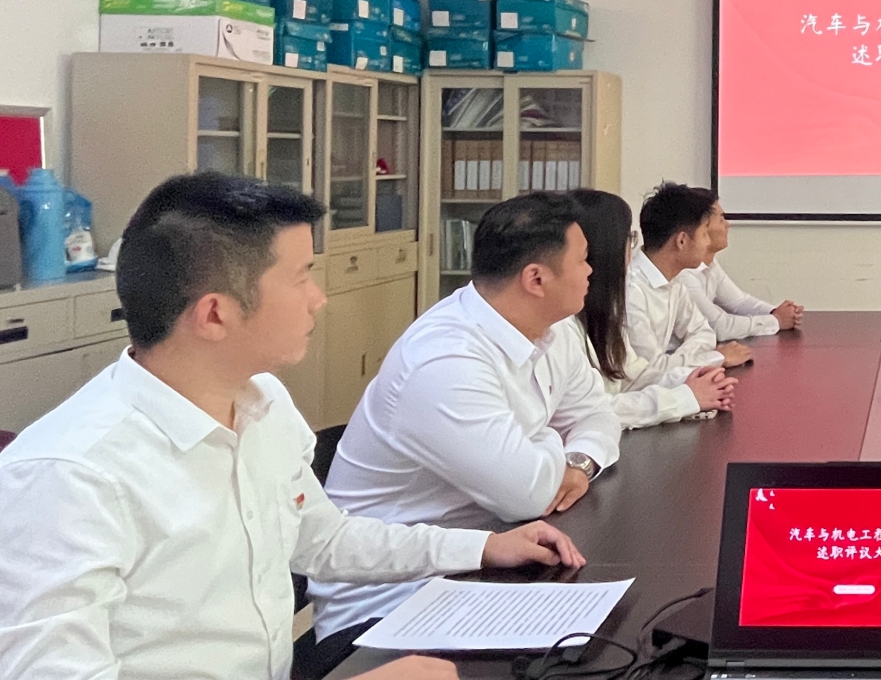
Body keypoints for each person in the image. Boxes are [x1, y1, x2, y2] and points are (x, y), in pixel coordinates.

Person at [0, 173, 583, 680]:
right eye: (301, 277)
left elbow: (324, 540)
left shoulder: (262, 402)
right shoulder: (69, 476)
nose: (318, 298)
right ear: (215, 314)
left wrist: (483, 546)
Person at [310, 191, 620, 662]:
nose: (592, 270)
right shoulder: (444, 359)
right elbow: (528, 494)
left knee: (609, 642)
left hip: (486, 559)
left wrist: (577, 462)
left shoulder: (554, 329)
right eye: (582, 260)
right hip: (390, 602)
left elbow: (599, 414)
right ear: (536, 279)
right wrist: (550, 438)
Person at [559, 188, 738, 427]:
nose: (631, 253)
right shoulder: (624, 295)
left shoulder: (600, 308)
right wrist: (687, 394)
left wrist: (693, 378)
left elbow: (633, 376)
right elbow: (592, 410)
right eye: (628, 240)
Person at [633, 182, 752, 376]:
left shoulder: (674, 281)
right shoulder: (631, 291)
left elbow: (704, 332)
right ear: (681, 241)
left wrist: (696, 359)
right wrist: (714, 358)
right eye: (704, 234)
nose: (707, 242)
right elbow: (649, 372)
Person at [675, 201, 804, 340]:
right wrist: (776, 320)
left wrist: (775, 312)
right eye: (721, 219)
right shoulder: (683, 274)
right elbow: (718, 326)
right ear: (703, 228)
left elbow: (739, 302)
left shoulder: (711, 265)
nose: (727, 225)